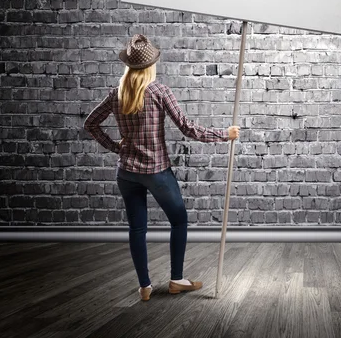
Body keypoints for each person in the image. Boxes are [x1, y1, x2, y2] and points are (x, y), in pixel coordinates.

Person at [84, 33, 239, 302]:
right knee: (179, 220)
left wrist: (116, 147)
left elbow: (90, 124)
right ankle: (176, 280)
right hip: (155, 171)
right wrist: (224, 134)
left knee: (137, 229)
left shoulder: (116, 94)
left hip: (127, 172)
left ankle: (144, 287)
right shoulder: (159, 91)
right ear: (151, 65)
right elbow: (188, 128)